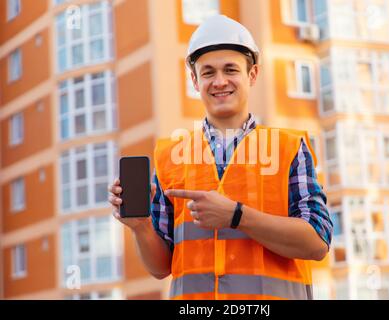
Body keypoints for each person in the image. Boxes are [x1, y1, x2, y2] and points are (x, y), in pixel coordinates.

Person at [108, 15, 333, 300]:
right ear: (194, 80)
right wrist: (140, 228)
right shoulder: (169, 157)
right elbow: (160, 267)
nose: (220, 81)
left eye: (231, 69)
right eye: (208, 72)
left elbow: (317, 242)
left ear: (252, 75)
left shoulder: (288, 148)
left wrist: (237, 217)